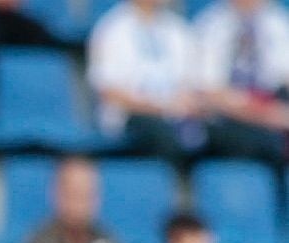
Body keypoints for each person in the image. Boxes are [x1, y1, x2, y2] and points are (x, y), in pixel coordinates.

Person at [89, 0, 205, 160]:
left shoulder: (178, 28)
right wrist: (162, 107)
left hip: (175, 114)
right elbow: (109, 92)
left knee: (218, 134)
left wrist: (184, 104)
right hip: (130, 117)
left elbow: (193, 83)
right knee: (165, 136)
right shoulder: (112, 28)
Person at [193, 0, 289, 162]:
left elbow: (283, 77)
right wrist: (266, 113)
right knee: (267, 142)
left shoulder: (278, 20)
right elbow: (210, 93)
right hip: (228, 117)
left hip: (273, 106)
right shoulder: (209, 26)